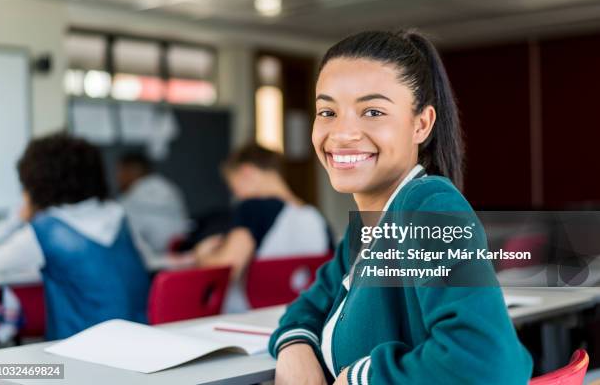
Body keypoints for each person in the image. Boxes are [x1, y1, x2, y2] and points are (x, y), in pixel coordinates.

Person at [269, 30, 533, 384]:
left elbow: (488, 363)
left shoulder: (428, 206)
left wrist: (360, 378)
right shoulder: (367, 228)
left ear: (421, 124)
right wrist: (295, 344)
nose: (343, 133)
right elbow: (307, 307)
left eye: (373, 111)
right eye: (327, 111)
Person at [0, 134, 150, 340]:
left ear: (36, 181)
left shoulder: (48, 229)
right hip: (140, 342)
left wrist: (18, 218)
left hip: (79, 354)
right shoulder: (118, 215)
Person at [173, 143, 332, 312]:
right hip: (303, 316)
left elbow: (228, 268)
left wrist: (202, 256)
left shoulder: (253, 207)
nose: (237, 195)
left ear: (246, 172)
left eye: (234, 187)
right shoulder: (317, 218)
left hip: (248, 316)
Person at [117, 151, 190, 268]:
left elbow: (140, 255)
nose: (118, 177)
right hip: (186, 259)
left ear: (129, 171)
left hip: (155, 268)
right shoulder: (171, 189)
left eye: (120, 171)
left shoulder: (127, 203)